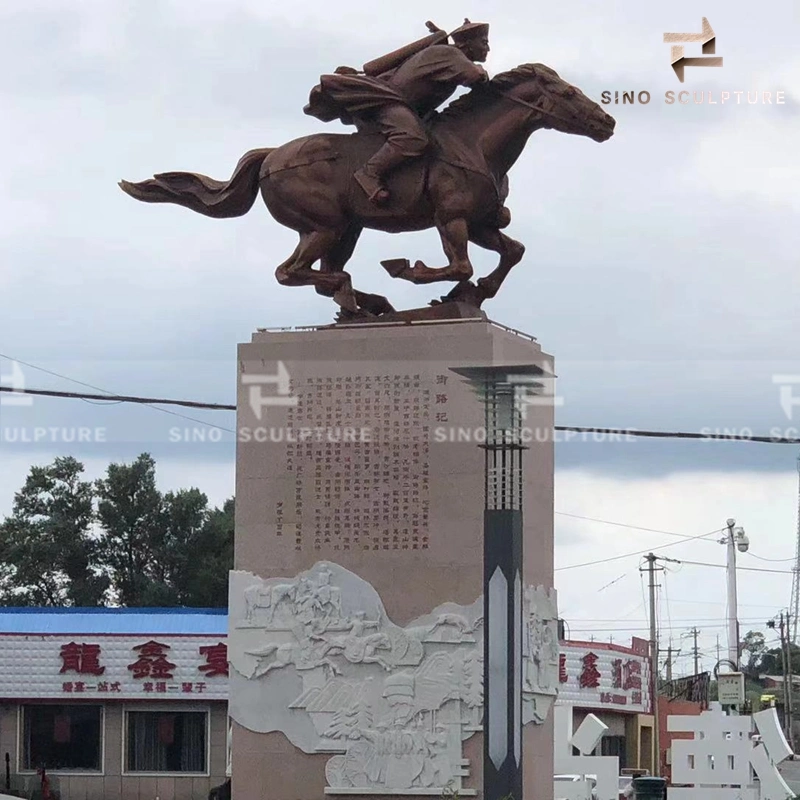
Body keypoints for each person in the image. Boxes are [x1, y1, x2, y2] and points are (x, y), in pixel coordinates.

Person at [304, 20, 491, 205]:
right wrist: (482, 71)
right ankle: (369, 173)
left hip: (409, 108)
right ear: (466, 44)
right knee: (413, 138)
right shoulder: (451, 54)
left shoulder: (448, 55)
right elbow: (474, 77)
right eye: (483, 42)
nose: (488, 48)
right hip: (389, 103)